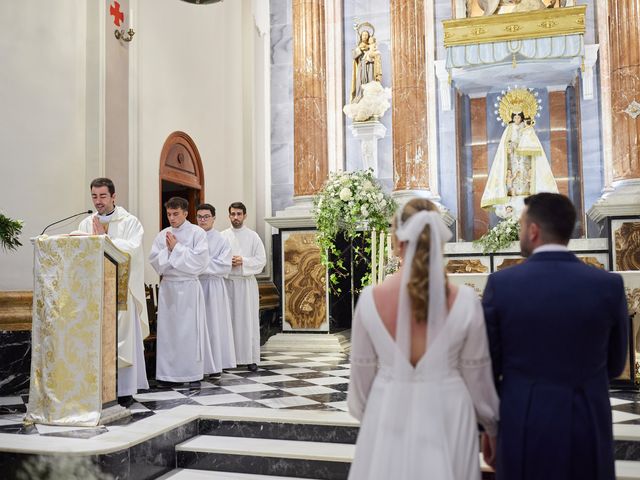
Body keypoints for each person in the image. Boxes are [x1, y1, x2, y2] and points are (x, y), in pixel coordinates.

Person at [347, 198, 499, 479]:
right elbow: (478, 381)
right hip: (450, 412)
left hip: (387, 410)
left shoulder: (370, 299)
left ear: (397, 239)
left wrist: (382, 411)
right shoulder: (465, 300)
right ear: (440, 239)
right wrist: (492, 428)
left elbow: (358, 391)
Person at [482, 193, 629, 479]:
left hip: (523, 420)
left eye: (522, 224)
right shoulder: (608, 285)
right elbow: (614, 364)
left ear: (533, 230)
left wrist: (490, 427)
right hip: (587, 419)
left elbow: (489, 365)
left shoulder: (502, 285)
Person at [77, 178, 149, 402]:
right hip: (96, 293)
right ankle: (97, 389)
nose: (98, 201)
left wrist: (103, 238)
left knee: (123, 339)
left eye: (103, 196)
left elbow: (132, 250)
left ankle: (125, 391)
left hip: (121, 292)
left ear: (113, 196)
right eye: (94, 196)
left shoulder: (130, 222)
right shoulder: (85, 223)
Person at [149, 197, 216, 383]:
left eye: (176, 214)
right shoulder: (163, 234)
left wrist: (176, 248)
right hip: (169, 287)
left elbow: (200, 262)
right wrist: (169, 251)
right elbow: (155, 262)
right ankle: (166, 374)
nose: (171, 218)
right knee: (168, 333)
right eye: (169, 214)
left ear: (186, 213)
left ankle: (191, 373)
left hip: (188, 287)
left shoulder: (197, 233)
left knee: (188, 331)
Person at [481, 111, 558, 218]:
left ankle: (528, 190)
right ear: (512, 118)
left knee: (526, 175)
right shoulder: (509, 128)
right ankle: (512, 193)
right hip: (512, 158)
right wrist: (510, 146)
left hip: (525, 157)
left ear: (522, 117)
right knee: (512, 177)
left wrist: (527, 131)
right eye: (515, 117)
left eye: (519, 117)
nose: (517, 119)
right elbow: (504, 145)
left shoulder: (526, 127)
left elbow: (533, 144)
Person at [221, 202, 266, 372]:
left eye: (239, 214)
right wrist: (228, 262)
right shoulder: (222, 236)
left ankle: (250, 358)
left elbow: (261, 260)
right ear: (229, 215)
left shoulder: (253, 236)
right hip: (228, 283)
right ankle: (228, 359)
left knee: (248, 322)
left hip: (246, 285)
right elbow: (215, 260)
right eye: (233, 214)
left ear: (245, 215)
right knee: (228, 321)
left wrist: (243, 261)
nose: (236, 217)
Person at [196, 203, 237, 373]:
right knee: (199, 326)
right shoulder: (193, 236)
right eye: (199, 217)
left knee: (214, 324)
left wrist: (199, 264)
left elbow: (224, 265)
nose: (202, 220)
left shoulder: (222, 239)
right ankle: (200, 364)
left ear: (213, 218)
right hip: (196, 284)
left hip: (214, 286)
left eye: (206, 216)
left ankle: (215, 364)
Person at [350, 29, 374, 103]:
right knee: (360, 82)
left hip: (369, 66)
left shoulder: (371, 46)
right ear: (361, 36)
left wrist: (369, 49)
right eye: (363, 35)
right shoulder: (358, 46)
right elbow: (353, 55)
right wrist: (360, 49)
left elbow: (375, 56)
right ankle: (359, 97)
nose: (364, 36)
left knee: (369, 81)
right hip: (361, 66)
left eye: (366, 35)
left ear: (369, 36)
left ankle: (369, 99)